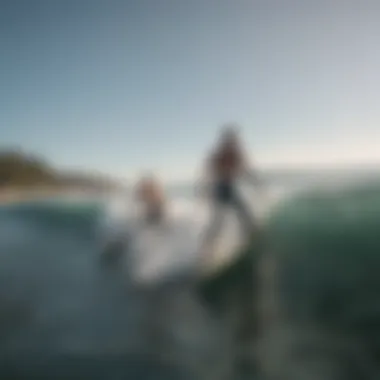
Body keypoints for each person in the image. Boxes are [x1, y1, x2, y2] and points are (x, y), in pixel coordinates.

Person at [199, 124, 261, 253]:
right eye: (231, 139)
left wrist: (256, 182)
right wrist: (204, 190)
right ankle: (207, 246)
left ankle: (252, 241)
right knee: (220, 221)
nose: (234, 141)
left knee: (243, 216)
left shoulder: (237, 154)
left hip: (229, 189)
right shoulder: (219, 154)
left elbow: (246, 170)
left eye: (234, 139)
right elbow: (208, 173)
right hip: (221, 189)